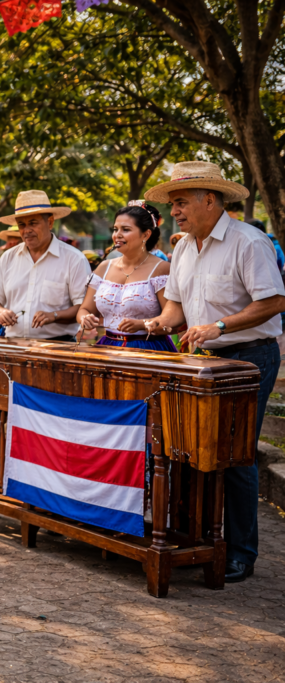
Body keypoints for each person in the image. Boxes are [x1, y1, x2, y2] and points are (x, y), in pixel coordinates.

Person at [142, 161, 285, 583]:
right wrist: (159, 322)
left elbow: (274, 301)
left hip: (248, 359)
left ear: (210, 199)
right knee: (188, 448)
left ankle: (241, 552)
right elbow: (177, 307)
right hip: (203, 361)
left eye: (181, 202)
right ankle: (199, 536)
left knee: (235, 455)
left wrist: (219, 326)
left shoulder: (249, 242)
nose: (175, 212)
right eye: (172, 205)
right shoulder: (184, 247)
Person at [0, 191, 91, 511]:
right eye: (22, 224)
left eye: (33, 222)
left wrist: (55, 315)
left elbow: (84, 305)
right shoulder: (9, 258)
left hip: (56, 349)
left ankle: (45, 494)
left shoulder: (73, 259)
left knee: (45, 419)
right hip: (10, 347)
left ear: (50, 221)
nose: (27, 230)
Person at [77, 202, 175, 351]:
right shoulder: (104, 267)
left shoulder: (161, 269)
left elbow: (174, 323)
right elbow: (84, 309)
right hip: (108, 347)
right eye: (115, 229)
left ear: (146, 234)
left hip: (148, 349)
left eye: (126, 229)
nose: (118, 235)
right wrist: (85, 318)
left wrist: (143, 325)